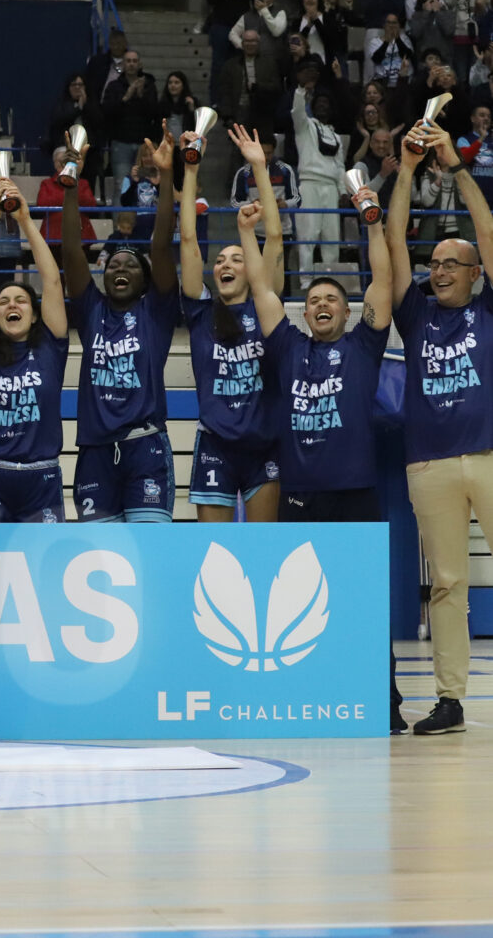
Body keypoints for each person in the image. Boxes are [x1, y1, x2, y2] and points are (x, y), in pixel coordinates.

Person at [251, 175, 400, 732]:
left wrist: (371, 224)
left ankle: (384, 702)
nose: (320, 305)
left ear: (345, 311)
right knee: (299, 603)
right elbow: (265, 292)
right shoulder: (288, 347)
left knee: (364, 603)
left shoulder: (364, 345)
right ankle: (305, 697)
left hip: (355, 494)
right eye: (312, 300)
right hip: (300, 497)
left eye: (330, 299)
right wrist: (249, 237)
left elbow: (383, 278)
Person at [386, 123, 493, 735]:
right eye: (436, 262)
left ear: (476, 272)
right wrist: (406, 169)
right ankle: (451, 699)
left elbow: (486, 230)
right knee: (448, 584)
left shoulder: (486, 306)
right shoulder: (417, 311)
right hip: (429, 462)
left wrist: (454, 166)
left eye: (453, 263)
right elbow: (395, 243)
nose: (440, 270)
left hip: (487, 454)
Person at [61, 129, 179, 522]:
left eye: (131, 264)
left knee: (149, 555)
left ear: (146, 280)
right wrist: (71, 181)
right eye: (113, 264)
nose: (121, 268)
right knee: (100, 558)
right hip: (95, 452)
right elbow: (72, 248)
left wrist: (165, 182)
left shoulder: (155, 313)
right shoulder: (91, 309)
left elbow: (161, 246)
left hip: (144, 447)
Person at [179, 125, 282, 523]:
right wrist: (191, 169)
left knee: (262, 551)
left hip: (264, 446)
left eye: (236, 258)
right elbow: (188, 238)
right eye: (220, 260)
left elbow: (274, 236)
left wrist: (259, 169)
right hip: (215, 445)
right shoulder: (202, 312)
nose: (224, 264)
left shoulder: (265, 306)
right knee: (216, 554)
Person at [0, 179, 68, 524]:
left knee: (42, 571)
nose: (12, 305)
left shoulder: (50, 345)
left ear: (35, 312)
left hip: (40, 477)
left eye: (21, 300)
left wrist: (26, 221)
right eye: (4, 301)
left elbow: (52, 281)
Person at [291, 84, 346, 274]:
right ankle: (306, 281)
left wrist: (343, 191)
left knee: (331, 237)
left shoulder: (336, 136)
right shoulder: (305, 126)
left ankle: (331, 278)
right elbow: (297, 112)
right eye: (319, 103)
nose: (323, 106)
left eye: (326, 104)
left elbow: (340, 166)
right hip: (309, 184)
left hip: (330, 187)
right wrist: (300, 92)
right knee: (307, 235)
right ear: (313, 107)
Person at [100, 48, 161, 190]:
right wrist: (126, 97)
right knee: (121, 185)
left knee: (146, 184)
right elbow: (107, 111)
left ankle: (144, 213)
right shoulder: (114, 86)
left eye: (134, 61)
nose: (131, 64)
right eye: (128, 61)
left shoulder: (149, 86)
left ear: (140, 64)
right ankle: (120, 213)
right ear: (123, 65)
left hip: (143, 144)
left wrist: (140, 96)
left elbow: (154, 112)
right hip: (121, 142)